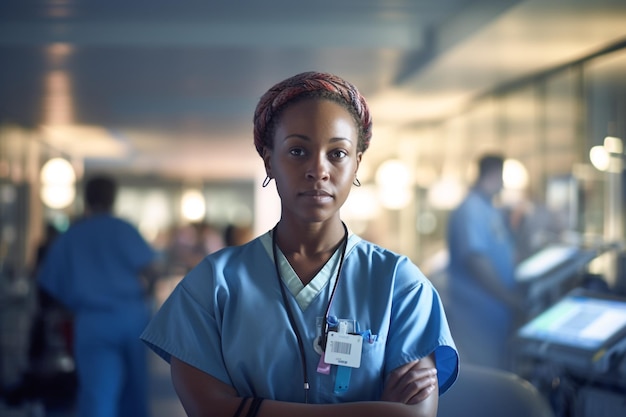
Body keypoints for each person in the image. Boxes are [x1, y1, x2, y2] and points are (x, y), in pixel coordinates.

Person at [140, 71, 458, 417]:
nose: (318, 170)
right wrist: (379, 410)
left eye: (337, 153)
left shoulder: (400, 283)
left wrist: (247, 409)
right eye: (297, 150)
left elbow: (415, 415)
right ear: (269, 161)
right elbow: (208, 410)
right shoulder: (214, 284)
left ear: (356, 165)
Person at [37, 175, 160, 417]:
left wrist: (69, 308)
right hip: (132, 315)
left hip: (92, 319)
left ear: (86, 198)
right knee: (135, 391)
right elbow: (152, 271)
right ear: (113, 198)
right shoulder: (124, 229)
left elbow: (48, 283)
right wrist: (146, 294)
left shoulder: (72, 235)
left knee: (97, 394)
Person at [445, 154, 524, 371]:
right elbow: (475, 260)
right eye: (502, 177)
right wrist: (508, 297)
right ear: (493, 175)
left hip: (495, 316)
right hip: (476, 317)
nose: (503, 185)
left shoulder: (489, 209)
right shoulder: (470, 210)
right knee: (486, 378)